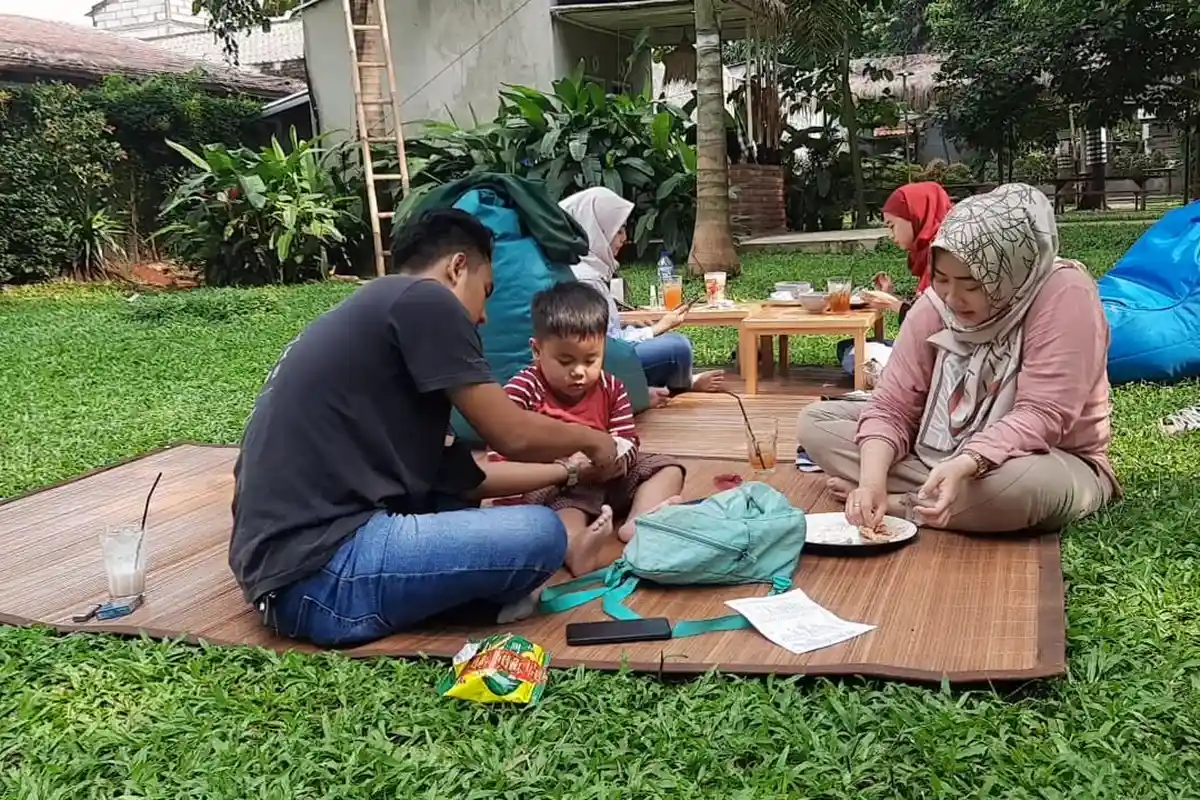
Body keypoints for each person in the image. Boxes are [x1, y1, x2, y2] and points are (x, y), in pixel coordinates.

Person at [229, 209, 622, 648]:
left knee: (455, 503)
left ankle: (461, 600)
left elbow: (467, 481)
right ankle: (467, 601)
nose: (484, 317)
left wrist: (569, 472)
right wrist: (595, 440)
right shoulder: (426, 300)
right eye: (486, 292)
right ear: (457, 267)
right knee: (541, 533)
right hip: (324, 573)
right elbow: (511, 434)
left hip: (279, 574)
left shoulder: (381, 318)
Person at [798, 183, 1120, 534]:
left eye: (972, 284)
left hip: (1044, 457)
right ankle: (942, 496)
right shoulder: (935, 305)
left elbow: (1042, 414)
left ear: (1010, 271)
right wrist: (871, 482)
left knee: (1022, 487)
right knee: (816, 423)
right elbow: (892, 405)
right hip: (939, 448)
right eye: (942, 279)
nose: (952, 298)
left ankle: (905, 504)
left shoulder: (1064, 294)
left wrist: (969, 461)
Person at [489, 282, 686, 553]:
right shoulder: (524, 388)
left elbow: (627, 439)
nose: (579, 371)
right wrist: (513, 510)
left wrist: (618, 462)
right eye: (566, 361)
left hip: (604, 478)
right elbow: (500, 450)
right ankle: (575, 546)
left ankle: (639, 522)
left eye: (591, 360)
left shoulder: (612, 387)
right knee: (569, 505)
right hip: (556, 485)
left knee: (667, 468)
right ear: (537, 351)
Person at [558, 187, 724, 404]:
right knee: (678, 347)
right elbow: (604, 345)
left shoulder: (586, 270)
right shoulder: (586, 280)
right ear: (596, 231)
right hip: (602, 363)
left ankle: (652, 386)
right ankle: (682, 384)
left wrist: (630, 324)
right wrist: (657, 328)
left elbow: (603, 330)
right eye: (618, 231)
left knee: (673, 345)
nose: (624, 238)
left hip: (606, 357)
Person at [860, 181, 953, 320]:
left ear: (915, 216)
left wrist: (891, 303)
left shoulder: (943, 255)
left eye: (892, 226)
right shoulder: (930, 251)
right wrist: (891, 297)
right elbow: (922, 309)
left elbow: (931, 322)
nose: (891, 235)